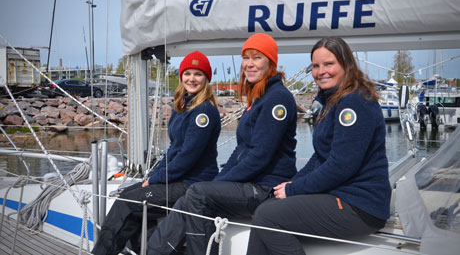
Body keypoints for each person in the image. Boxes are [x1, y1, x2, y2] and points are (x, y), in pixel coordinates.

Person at [147, 33, 298, 255]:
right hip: (253, 183)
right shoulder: (259, 97)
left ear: (271, 63)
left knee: (198, 193)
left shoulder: (277, 98)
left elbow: (260, 156)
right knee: (192, 195)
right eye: (246, 58)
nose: (249, 64)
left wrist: (219, 183)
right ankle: (154, 252)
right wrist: (218, 182)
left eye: (257, 57)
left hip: (266, 187)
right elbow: (240, 150)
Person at [245, 37, 392, 255]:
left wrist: (294, 189)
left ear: (346, 65)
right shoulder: (331, 101)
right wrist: (292, 183)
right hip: (343, 196)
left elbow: (341, 165)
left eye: (329, 64)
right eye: (315, 66)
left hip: (360, 206)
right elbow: (320, 157)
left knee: (267, 217)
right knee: (264, 210)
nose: (321, 71)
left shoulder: (354, 102)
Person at [92, 51, 221, 255]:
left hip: (193, 182)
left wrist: (155, 180)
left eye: (198, 74)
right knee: (128, 194)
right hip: (178, 179)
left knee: (129, 202)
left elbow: (187, 157)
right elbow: (174, 150)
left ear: (206, 78)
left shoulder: (203, 112)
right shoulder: (183, 107)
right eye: (187, 73)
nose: (192, 79)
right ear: (181, 76)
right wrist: (153, 177)